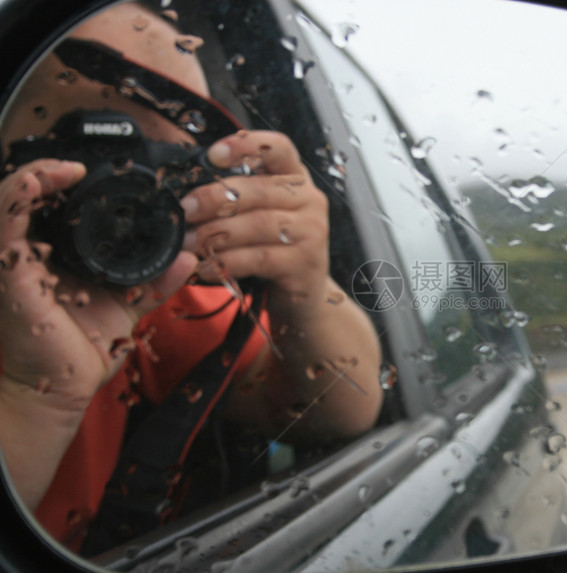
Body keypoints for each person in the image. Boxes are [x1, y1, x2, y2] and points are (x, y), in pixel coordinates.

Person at [0, 1, 383, 552]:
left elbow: (343, 404)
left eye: (160, 164)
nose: (122, 201)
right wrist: (32, 400)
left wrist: (303, 282)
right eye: (84, 152)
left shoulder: (160, 299)